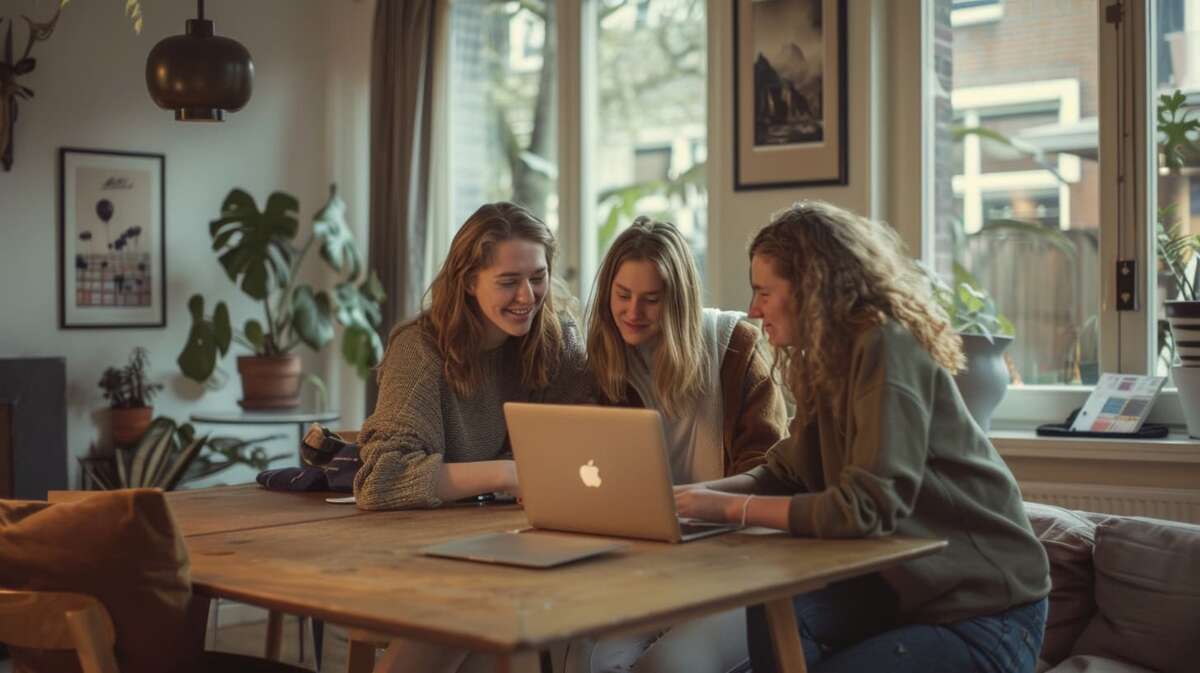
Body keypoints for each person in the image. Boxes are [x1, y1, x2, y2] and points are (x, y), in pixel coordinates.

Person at [675, 200, 1051, 673]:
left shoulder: (887, 346)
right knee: (774, 605)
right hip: (903, 597)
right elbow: (784, 472)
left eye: (764, 292)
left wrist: (729, 509)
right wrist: (690, 497)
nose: (753, 309)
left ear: (812, 287)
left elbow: (867, 506)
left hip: (986, 612)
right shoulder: (825, 361)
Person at [565, 216, 788, 673]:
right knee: (589, 661)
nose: (632, 312)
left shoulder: (734, 349)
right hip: (645, 567)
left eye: (651, 300)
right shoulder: (604, 367)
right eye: (622, 296)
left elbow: (769, 474)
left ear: (679, 302)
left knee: (668, 665)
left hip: (734, 564)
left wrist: (695, 505)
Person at [353, 201, 589, 510]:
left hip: (520, 521)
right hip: (425, 535)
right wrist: (506, 473)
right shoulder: (420, 349)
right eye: (508, 282)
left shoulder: (558, 339)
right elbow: (380, 480)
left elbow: (572, 447)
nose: (528, 297)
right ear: (468, 281)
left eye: (537, 277)